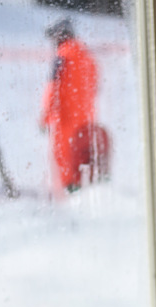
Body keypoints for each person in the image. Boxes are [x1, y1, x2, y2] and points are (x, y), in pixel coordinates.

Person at [40, 18, 109, 193]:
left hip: (65, 118)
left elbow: (52, 88)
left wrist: (45, 116)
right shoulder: (87, 56)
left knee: (65, 158)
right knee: (85, 156)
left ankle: (72, 191)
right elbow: (95, 86)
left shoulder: (61, 57)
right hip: (87, 119)